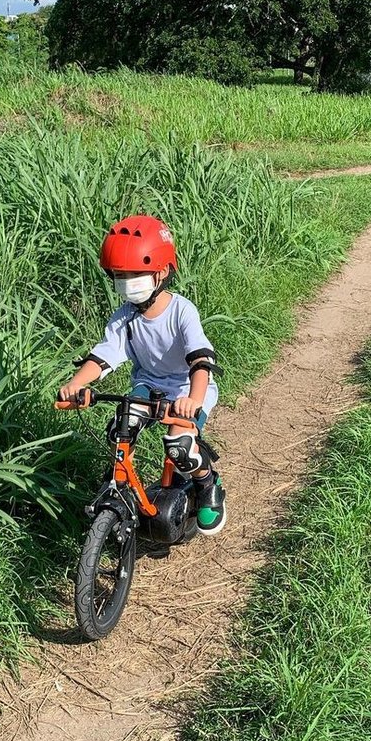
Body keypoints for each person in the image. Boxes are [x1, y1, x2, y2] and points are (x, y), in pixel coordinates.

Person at [59, 214, 227, 535]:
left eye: (136, 274)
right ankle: (119, 485)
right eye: (121, 275)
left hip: (188, 388)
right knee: (120, 428)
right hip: (148, 386)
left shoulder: (182, 312)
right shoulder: (124, 317)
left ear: (162, 272)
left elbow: (201, 361)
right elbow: (105, 354)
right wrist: (76, 384)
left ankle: (208, 486)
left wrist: (192, 400)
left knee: (179, 444)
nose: (127, 281)